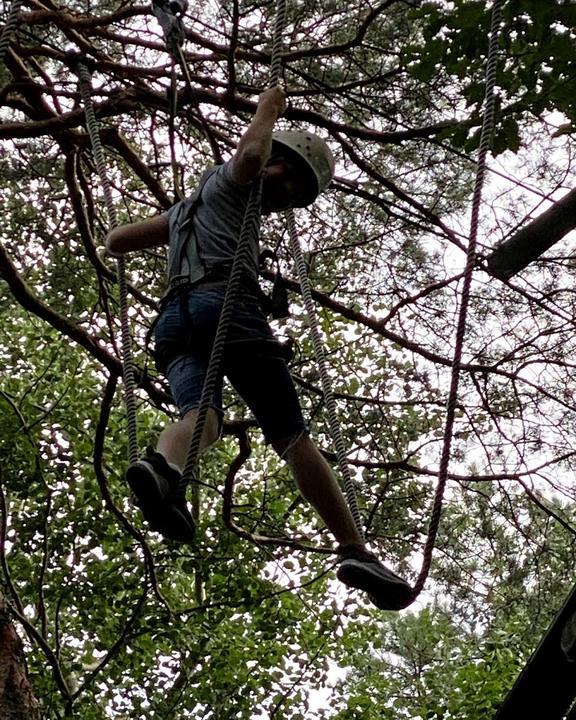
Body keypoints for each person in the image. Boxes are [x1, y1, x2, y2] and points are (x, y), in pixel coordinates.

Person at [105, 86, 412, 611]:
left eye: (294, 193)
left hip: (173, 323)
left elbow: (116, 240)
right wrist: (268, 108)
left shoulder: (190, 209)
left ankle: (163, 468)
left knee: (204, 417)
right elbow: (247, 156)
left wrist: (182, 221)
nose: (284, 194)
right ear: (275, 160)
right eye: (287, 178)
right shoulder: (230, 184)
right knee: (292, 436)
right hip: (223, 303)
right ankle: (354, 548)